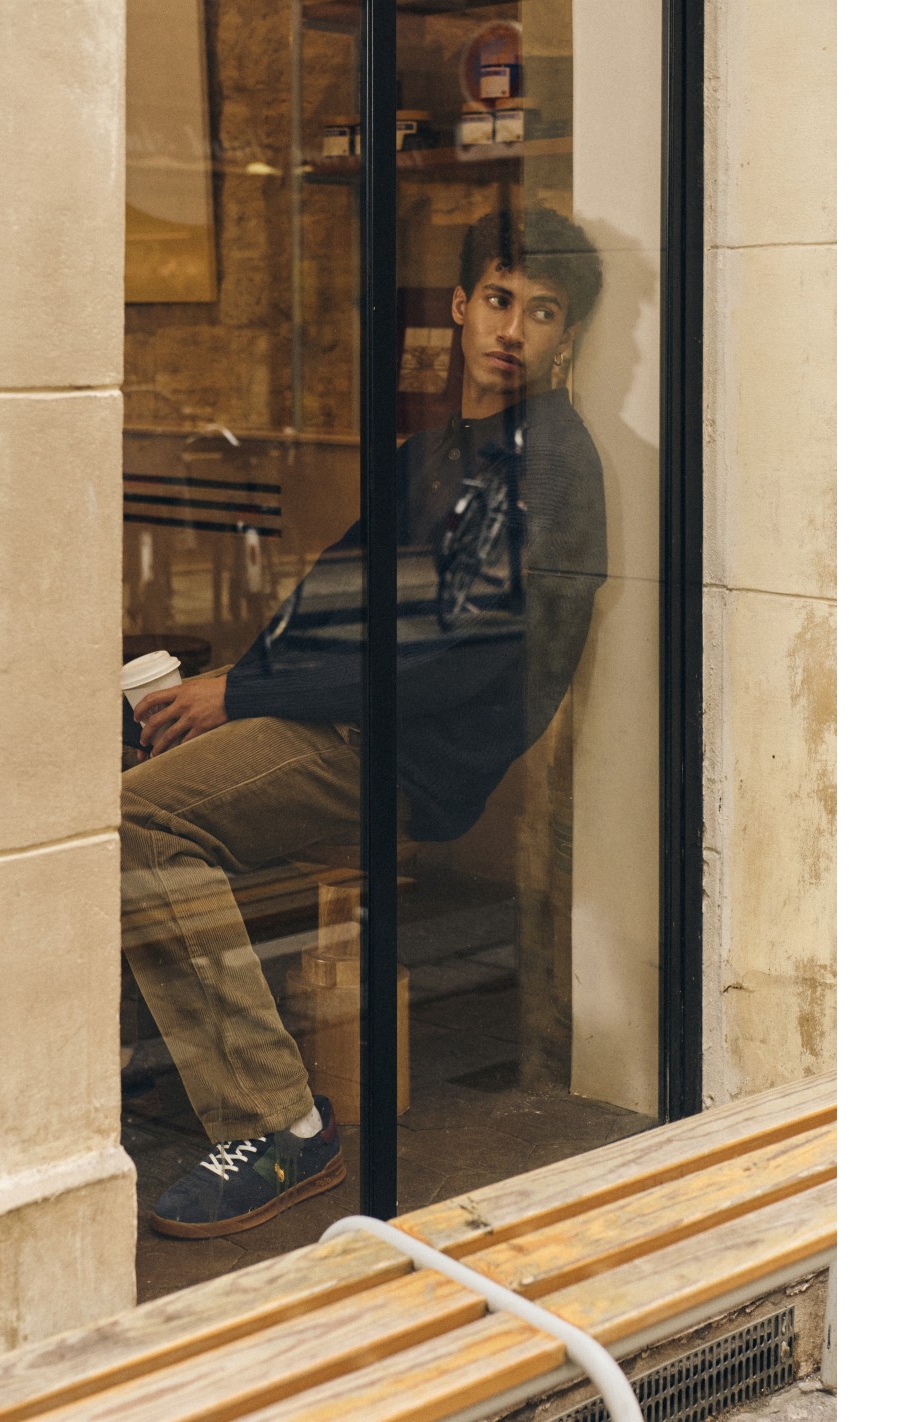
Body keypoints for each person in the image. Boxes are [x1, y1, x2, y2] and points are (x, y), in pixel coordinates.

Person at [120, 207, 607, 1238]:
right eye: (498, 299)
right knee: (112, 767)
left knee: (139, 825)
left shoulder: (552, 467)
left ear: (566, 337)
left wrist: (243, 696)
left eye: (541, 312)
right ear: (460, 305)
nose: (511, 328)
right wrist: (228, 684)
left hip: (399, 750)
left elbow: (453, 662)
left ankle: (280, 1123)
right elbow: (329, 597)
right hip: (340, 715)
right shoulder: (431, 451)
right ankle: (140, 1059)